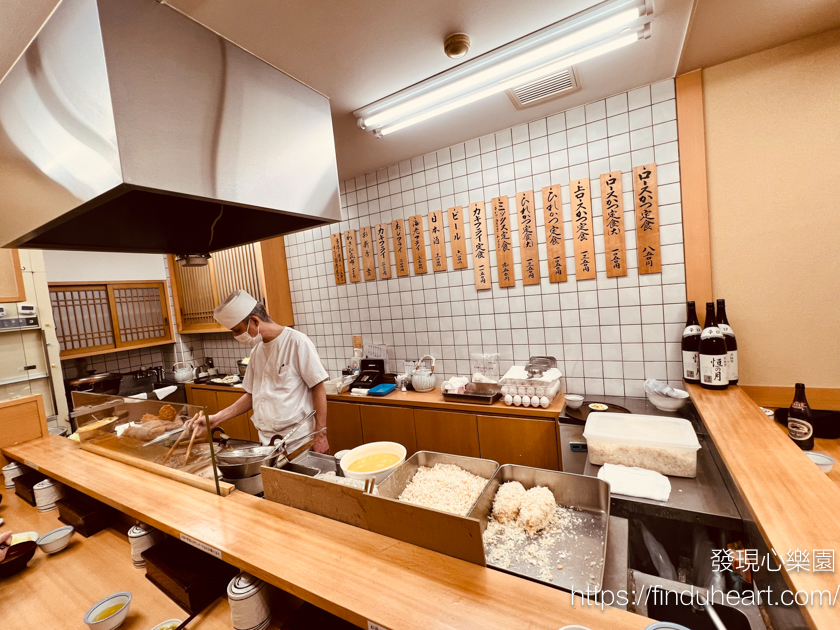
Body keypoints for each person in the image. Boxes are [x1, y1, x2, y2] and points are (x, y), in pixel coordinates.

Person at [187, 290, 330, 454]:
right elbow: (252, 395)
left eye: (237, 330)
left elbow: (318, 387)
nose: (236, 336)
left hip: (298, 440)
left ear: (254, 321)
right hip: (266, 441)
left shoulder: (297, 342)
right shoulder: (257, 352)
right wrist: (216, 418)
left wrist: (321, 435)